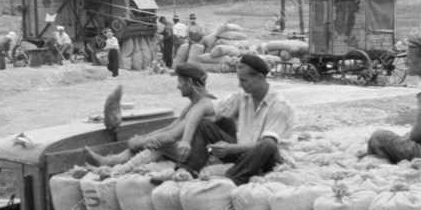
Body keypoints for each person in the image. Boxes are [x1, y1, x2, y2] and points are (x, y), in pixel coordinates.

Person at [85, 63, 217, 172]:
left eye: (180, 81)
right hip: (188, 150)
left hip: (201, 156)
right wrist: (144, 138)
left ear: (189, 82)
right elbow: (171, 126)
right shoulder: (193, 104)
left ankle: (117, 168)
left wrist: (141, 142)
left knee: (160, 143)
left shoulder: (203, 105)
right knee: (153, 141)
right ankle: (112, 162)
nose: (178, 86)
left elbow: (171, 136)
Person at [190, 53, 294, 184]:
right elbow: (209, 108)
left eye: (244, 80)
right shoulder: (243, 97)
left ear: (260, 77)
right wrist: (181, 136)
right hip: (243, 155)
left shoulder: (279, 105)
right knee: (205, 125)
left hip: (270, 159)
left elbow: (266, 145)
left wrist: (231, 148)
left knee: (267, 145)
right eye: (239, 80)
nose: (240, 85)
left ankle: (231, 178)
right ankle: (189, 170)